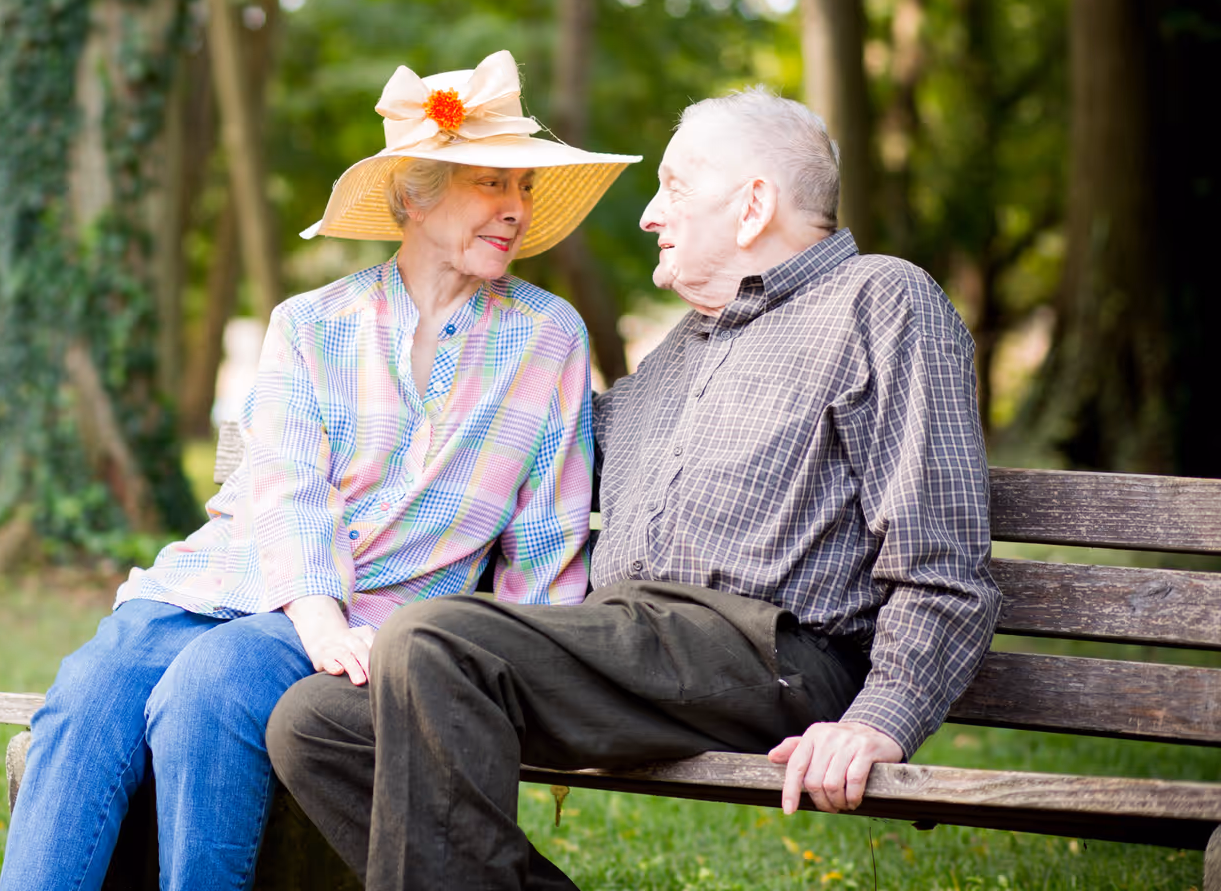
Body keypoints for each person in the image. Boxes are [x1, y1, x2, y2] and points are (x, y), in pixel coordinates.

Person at [267, 86, 1002, 891]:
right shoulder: (681, 351)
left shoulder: (881, 301)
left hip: (774, 656)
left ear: (754, 204)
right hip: (628, 645)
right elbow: (530, 454)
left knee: (432, 641)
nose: (650, 215)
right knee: (318, 725)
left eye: (675, 187)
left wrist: (878, 721)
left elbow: (943, 560)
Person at [0, 51, 639, 890]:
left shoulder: (546, 335)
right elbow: (286, 486)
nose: (516, 210)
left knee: (211, 688)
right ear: (414, 197)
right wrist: (317, 617)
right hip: (239, 578)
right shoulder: (311, 323)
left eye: (523, 188)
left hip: (382, 616)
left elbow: (549, 534)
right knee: (89, 689)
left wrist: (522, 685)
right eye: (492, 184)